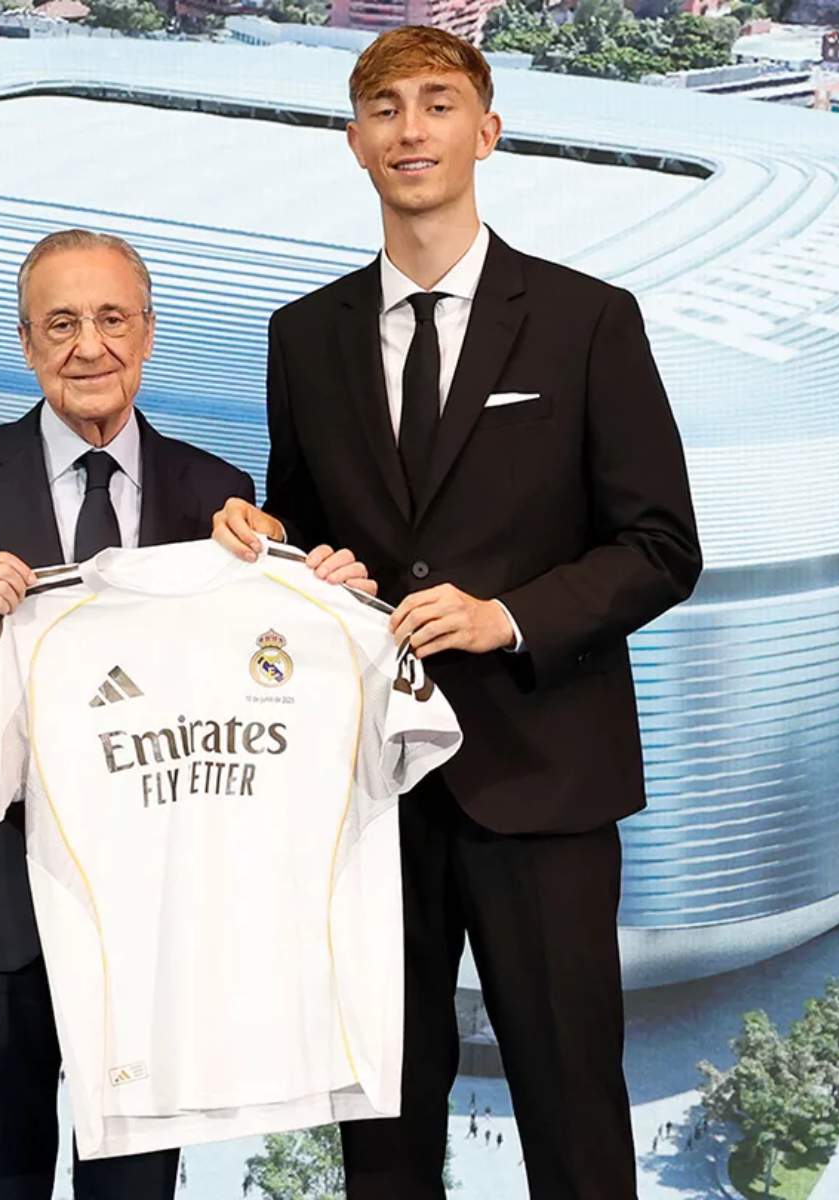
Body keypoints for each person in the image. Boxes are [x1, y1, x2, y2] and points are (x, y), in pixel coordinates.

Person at [213, 25, 703, 1199]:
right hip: (371, 793)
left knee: (570, 1107)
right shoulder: (302, 335)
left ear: (486, 131)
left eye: (437, 104)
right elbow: (306, 519)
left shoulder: (588, 321)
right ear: (352, 143)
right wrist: (265, 543)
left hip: (541, 783)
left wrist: (508, 618)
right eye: (383, 109)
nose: (409, 129)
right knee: (379, 1111)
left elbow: (660, 548)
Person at [0, 229, 311, 1200]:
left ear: (147, 334)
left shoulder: (216, 494)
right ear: (25, 344)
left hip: (153, 917)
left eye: (109, 319)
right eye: (59, 324)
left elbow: (265, 686)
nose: (87, 346)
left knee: (135, 1190)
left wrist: (290, 580)